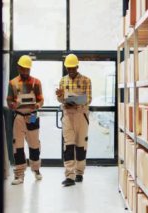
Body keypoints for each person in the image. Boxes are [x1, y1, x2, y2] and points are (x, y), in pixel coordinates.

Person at [55, 54, 92, 187]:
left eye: (72, 68)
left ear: (77, 66)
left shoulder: (86, 80)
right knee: (68, 146)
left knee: (80, 146)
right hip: (68, 115)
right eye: (68, 68)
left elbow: (88, 99)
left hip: (81, 115)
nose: (70, 71)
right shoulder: (63, 81)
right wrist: (60, 97)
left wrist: (75, 101)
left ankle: (79, 173)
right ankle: (69, 176)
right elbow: (60, 100)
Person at [7, 55, 44, 185]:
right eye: (22, 69)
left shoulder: (36, 82)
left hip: (32, 116)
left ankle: (36, 169)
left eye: (27, 70)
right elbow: (9, 101)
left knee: (34, 145)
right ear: (18, 68)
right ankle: (19, 175)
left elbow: (41, 100)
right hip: (18, 117)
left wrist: (37, 105)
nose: (24, 72)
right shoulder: (12, 83)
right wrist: (13, 105)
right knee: (18, 147)